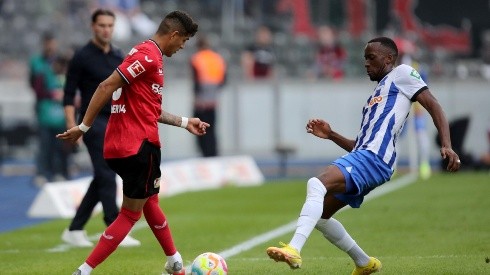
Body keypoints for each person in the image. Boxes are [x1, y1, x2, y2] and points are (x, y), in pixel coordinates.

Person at [266, 37, 461, 274]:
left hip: (375, 159)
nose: (366, 63)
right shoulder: (376, 96)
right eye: (365, 58)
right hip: (369, 158)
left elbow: (433, 104)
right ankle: (364, 263)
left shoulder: (403, 74)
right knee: (320, 216)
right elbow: (360, 146)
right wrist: (331, 135)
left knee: (316, 184)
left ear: (389, 58)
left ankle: (294, 249)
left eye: (371, 58)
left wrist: (447, 144)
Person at [57, 10, 203, 275]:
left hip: (119, 146)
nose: (183, 47)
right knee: (129, 215)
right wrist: (83, 126)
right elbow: (105, 86)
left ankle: (175, 262)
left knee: (150, 201)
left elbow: (149, 109)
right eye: (184, 41)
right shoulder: (148, 57)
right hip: (140, 146)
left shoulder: (143, 53)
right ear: (174, 35)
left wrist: (184, 122)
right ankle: (84, 270)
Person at [61, 9, 140, 248]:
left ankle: (75, 228)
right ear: (93, 27)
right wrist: (72, 125)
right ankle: (114, 226)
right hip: (92, 123)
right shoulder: (82, 56)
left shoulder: (118, 56)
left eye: (110, 26)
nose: (106, 29)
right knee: (106, 174)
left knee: (102, 176)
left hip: (116, 122)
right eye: (102, 25)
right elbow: (68, 94)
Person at [29, 32, 70, 186]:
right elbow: (36, 87)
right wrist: (52, 94)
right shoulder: (42, 69)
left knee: (61, 146)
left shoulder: (64, 71)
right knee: (45, 144)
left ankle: (59, 172)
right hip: (46, 112)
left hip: (61, 115)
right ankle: (43, 173)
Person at [190, 35, 227, 157]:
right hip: (213, 101)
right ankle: (213, 155)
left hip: (201, 102)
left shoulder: (196, 59)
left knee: (200, 130)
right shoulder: (218, 59)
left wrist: (196, 98)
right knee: (212, 130)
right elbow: (223, 81)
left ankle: (205, 155)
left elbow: (196, 82)